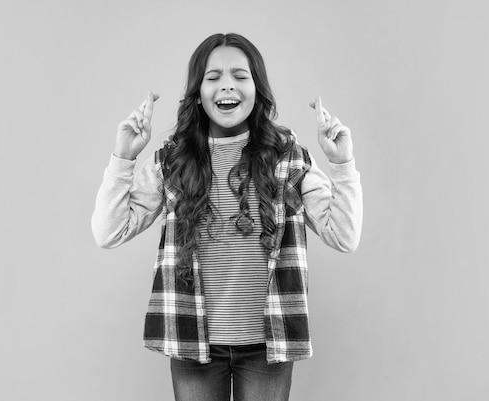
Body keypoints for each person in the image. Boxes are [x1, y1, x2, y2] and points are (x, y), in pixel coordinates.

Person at [92, 33, 363, 401]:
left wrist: (342, 163)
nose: (227, 86)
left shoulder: (289, 157)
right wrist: (123, 158)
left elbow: (344, 237)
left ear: (257, 88)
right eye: (213, 77)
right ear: (198, 92)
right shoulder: (172, 162)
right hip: (192, 338)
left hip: (268, 344)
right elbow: (108, 232)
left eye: (240, 75)